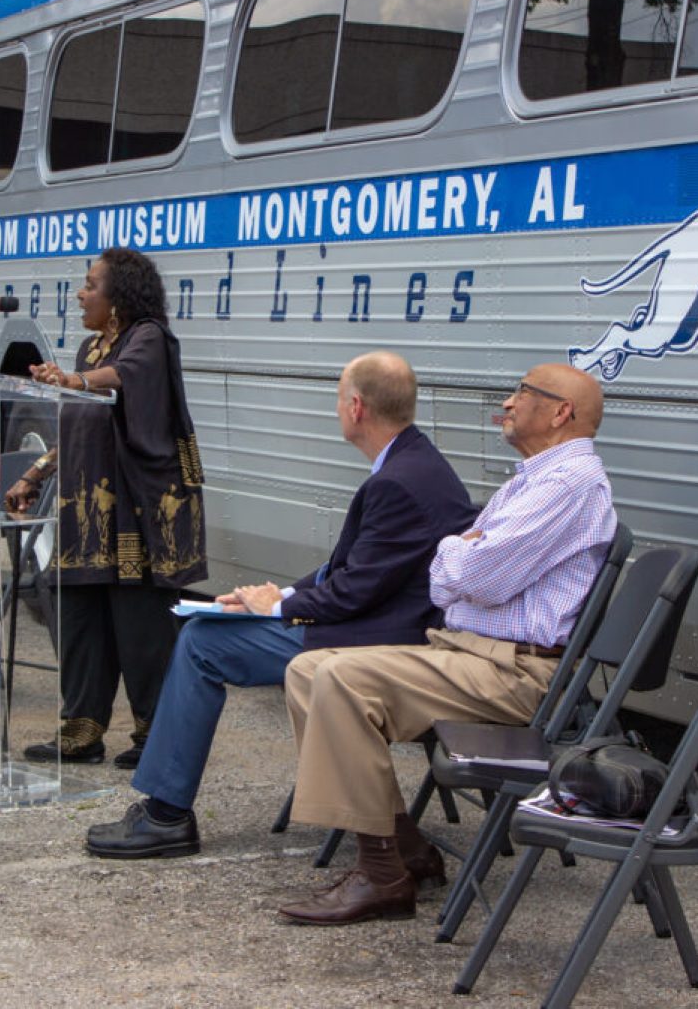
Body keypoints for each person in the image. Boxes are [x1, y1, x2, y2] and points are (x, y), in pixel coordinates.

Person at [86, 352, 477, 860]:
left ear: (356, 407)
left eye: (339, 397)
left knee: (203, 642)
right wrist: (277, 595)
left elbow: (352, 593)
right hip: (375, 622)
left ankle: (166, 816)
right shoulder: (414, 462)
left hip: (377, 640)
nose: (336, 407)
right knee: (210, 629)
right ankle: (164, 809)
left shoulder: (397, 482)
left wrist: (273, 610)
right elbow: (352, 571)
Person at [278, 363, 616, 926]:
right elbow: (459, 569)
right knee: (310, 669)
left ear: (560, 412)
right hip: (473, 653)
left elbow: (473, 574)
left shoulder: (567, 483)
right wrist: (463, 551)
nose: (508, 402)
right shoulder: (536, 477)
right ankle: (403, 847)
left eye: (522, 392)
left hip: (517, 675)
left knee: (339, 679)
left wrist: (460, 550)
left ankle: (382, 879)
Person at [7, 248, 207, 767]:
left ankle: (154, 737)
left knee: (140, 630)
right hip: (87, 516)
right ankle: (80, 732)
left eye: (91, 284)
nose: (80, 292)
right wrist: (35, 473)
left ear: (117, 297)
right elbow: (79, 427)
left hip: (135, 515)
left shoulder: (150, 340)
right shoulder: (87, 350)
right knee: (81, 623)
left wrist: (75, 381)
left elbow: (126, 376)